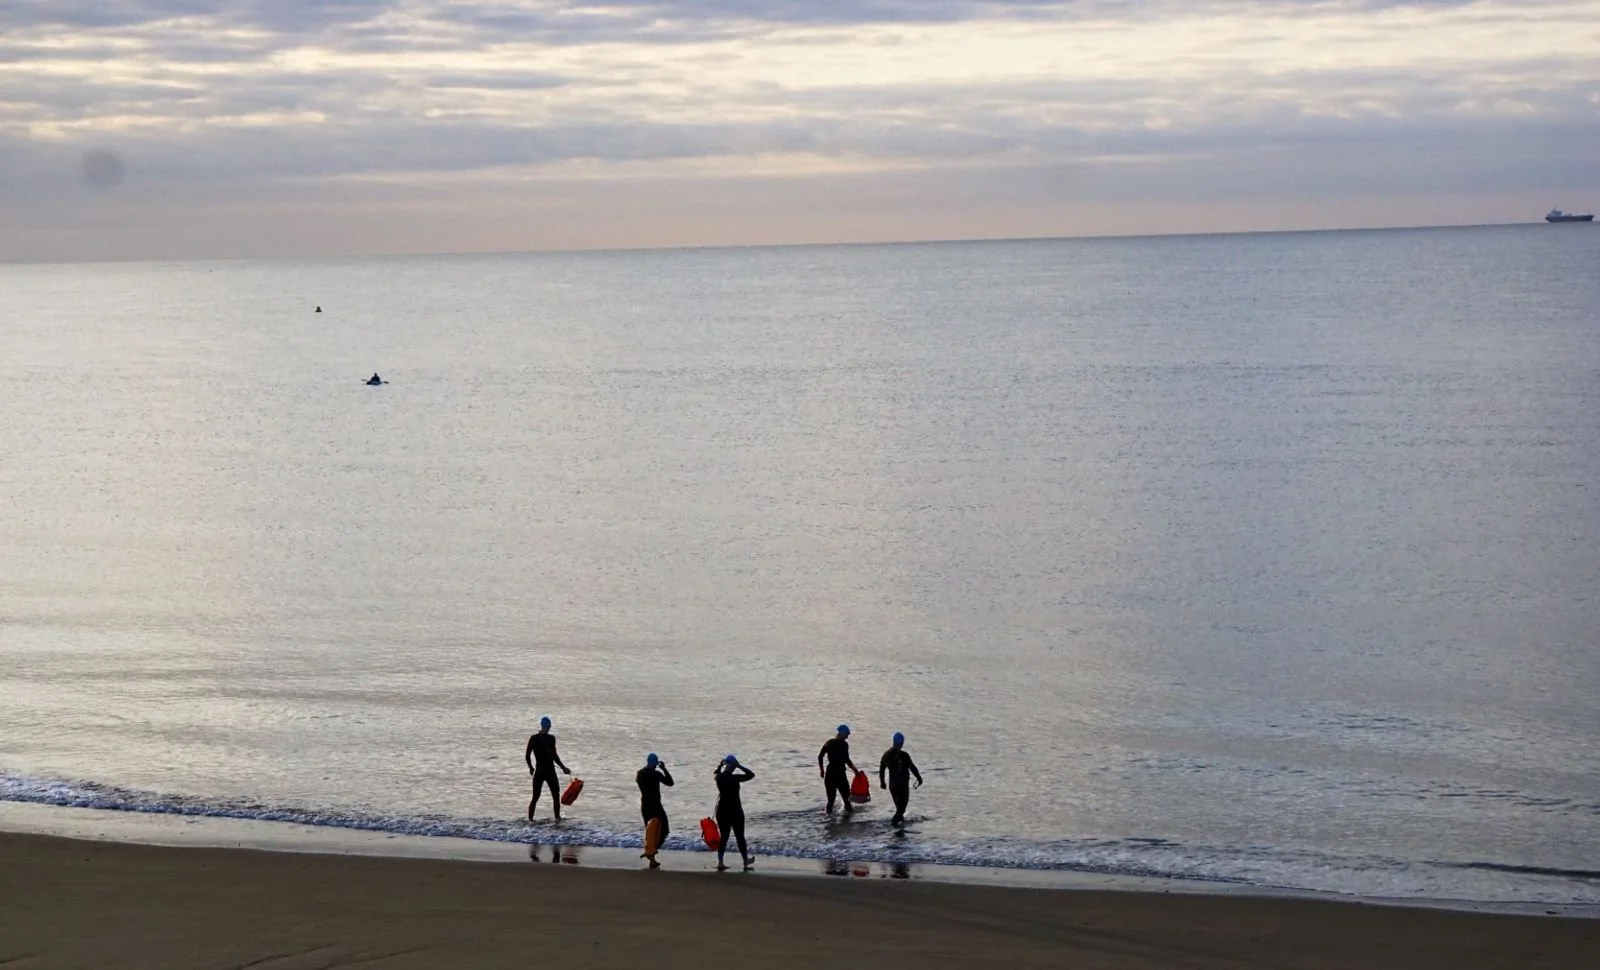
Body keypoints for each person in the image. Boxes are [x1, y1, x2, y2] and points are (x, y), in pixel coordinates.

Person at [524, 716, 571, 821]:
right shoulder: (551, 739)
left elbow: (527, 756)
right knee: (555, 796)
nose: (549, 728)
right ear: (548, 726)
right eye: (548, 726)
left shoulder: (533, 738)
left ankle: (530, 820)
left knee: (535, 797)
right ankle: (557, 818)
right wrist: (563, 768)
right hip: (549, 771)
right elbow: (554, 756)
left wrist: (531, 768)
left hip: (539, 771)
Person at [713, 755, 755, 871]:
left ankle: (720, 862)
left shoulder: (719, 778)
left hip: (722, 811)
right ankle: (745, 861)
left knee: (724, 837)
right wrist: (740, 766)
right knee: (740, 836)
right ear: (733, 766)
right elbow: (751, 775)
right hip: (735, 811)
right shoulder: (734, 778)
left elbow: (716, 773)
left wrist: (720, 766)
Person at [636, 753, 674, 868]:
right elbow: (670, 783)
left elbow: (639, 783)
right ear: (656, 763)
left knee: (650, 834)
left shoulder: (640, 773)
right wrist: (664, 769)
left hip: (645, 806)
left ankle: (652, 857)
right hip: (656, 806)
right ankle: (652, 852)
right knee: (664, 830)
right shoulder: (656, 774)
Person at [878, 731, 923, 826]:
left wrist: (882, 782)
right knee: (901, 810)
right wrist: (919, 778)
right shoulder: (904, 755)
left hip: (892, 786)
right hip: (902, 786)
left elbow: (881, 770)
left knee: (899, 808)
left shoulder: (886, 755)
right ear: (901, 743)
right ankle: (893, 828)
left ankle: (900, 831)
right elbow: (912, 767)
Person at [817, 724, 858, 814]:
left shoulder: (828, 743)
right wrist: (855, 771)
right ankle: (848, 821)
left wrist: (822, 770)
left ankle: (828, 820)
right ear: (842, 733)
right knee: (847, 800)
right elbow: (847, 760)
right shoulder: (844, 745)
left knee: (830, 801)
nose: (847, 736)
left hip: (830, 774)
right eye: (847, 734)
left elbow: (820, 757)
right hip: (840, 775)